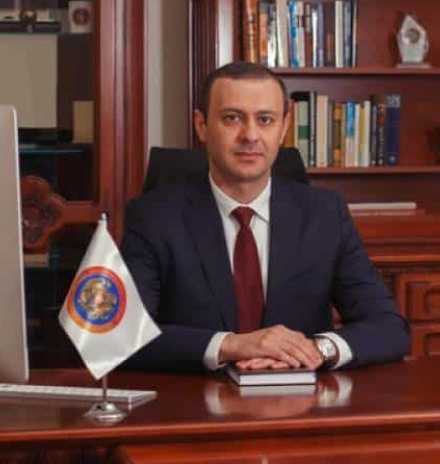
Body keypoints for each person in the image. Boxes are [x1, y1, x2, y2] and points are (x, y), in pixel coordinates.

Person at [121, 61, 409, 373]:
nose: (250, 135)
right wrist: (232, 345)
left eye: (265, 120)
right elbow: (124, 336)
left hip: (301, 395)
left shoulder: (325, 214)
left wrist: (317, 349)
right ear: (201, 125)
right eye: (232, 118)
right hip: (198, 397)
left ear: (284, 127)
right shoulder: (153, 217)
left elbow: (389, 326)